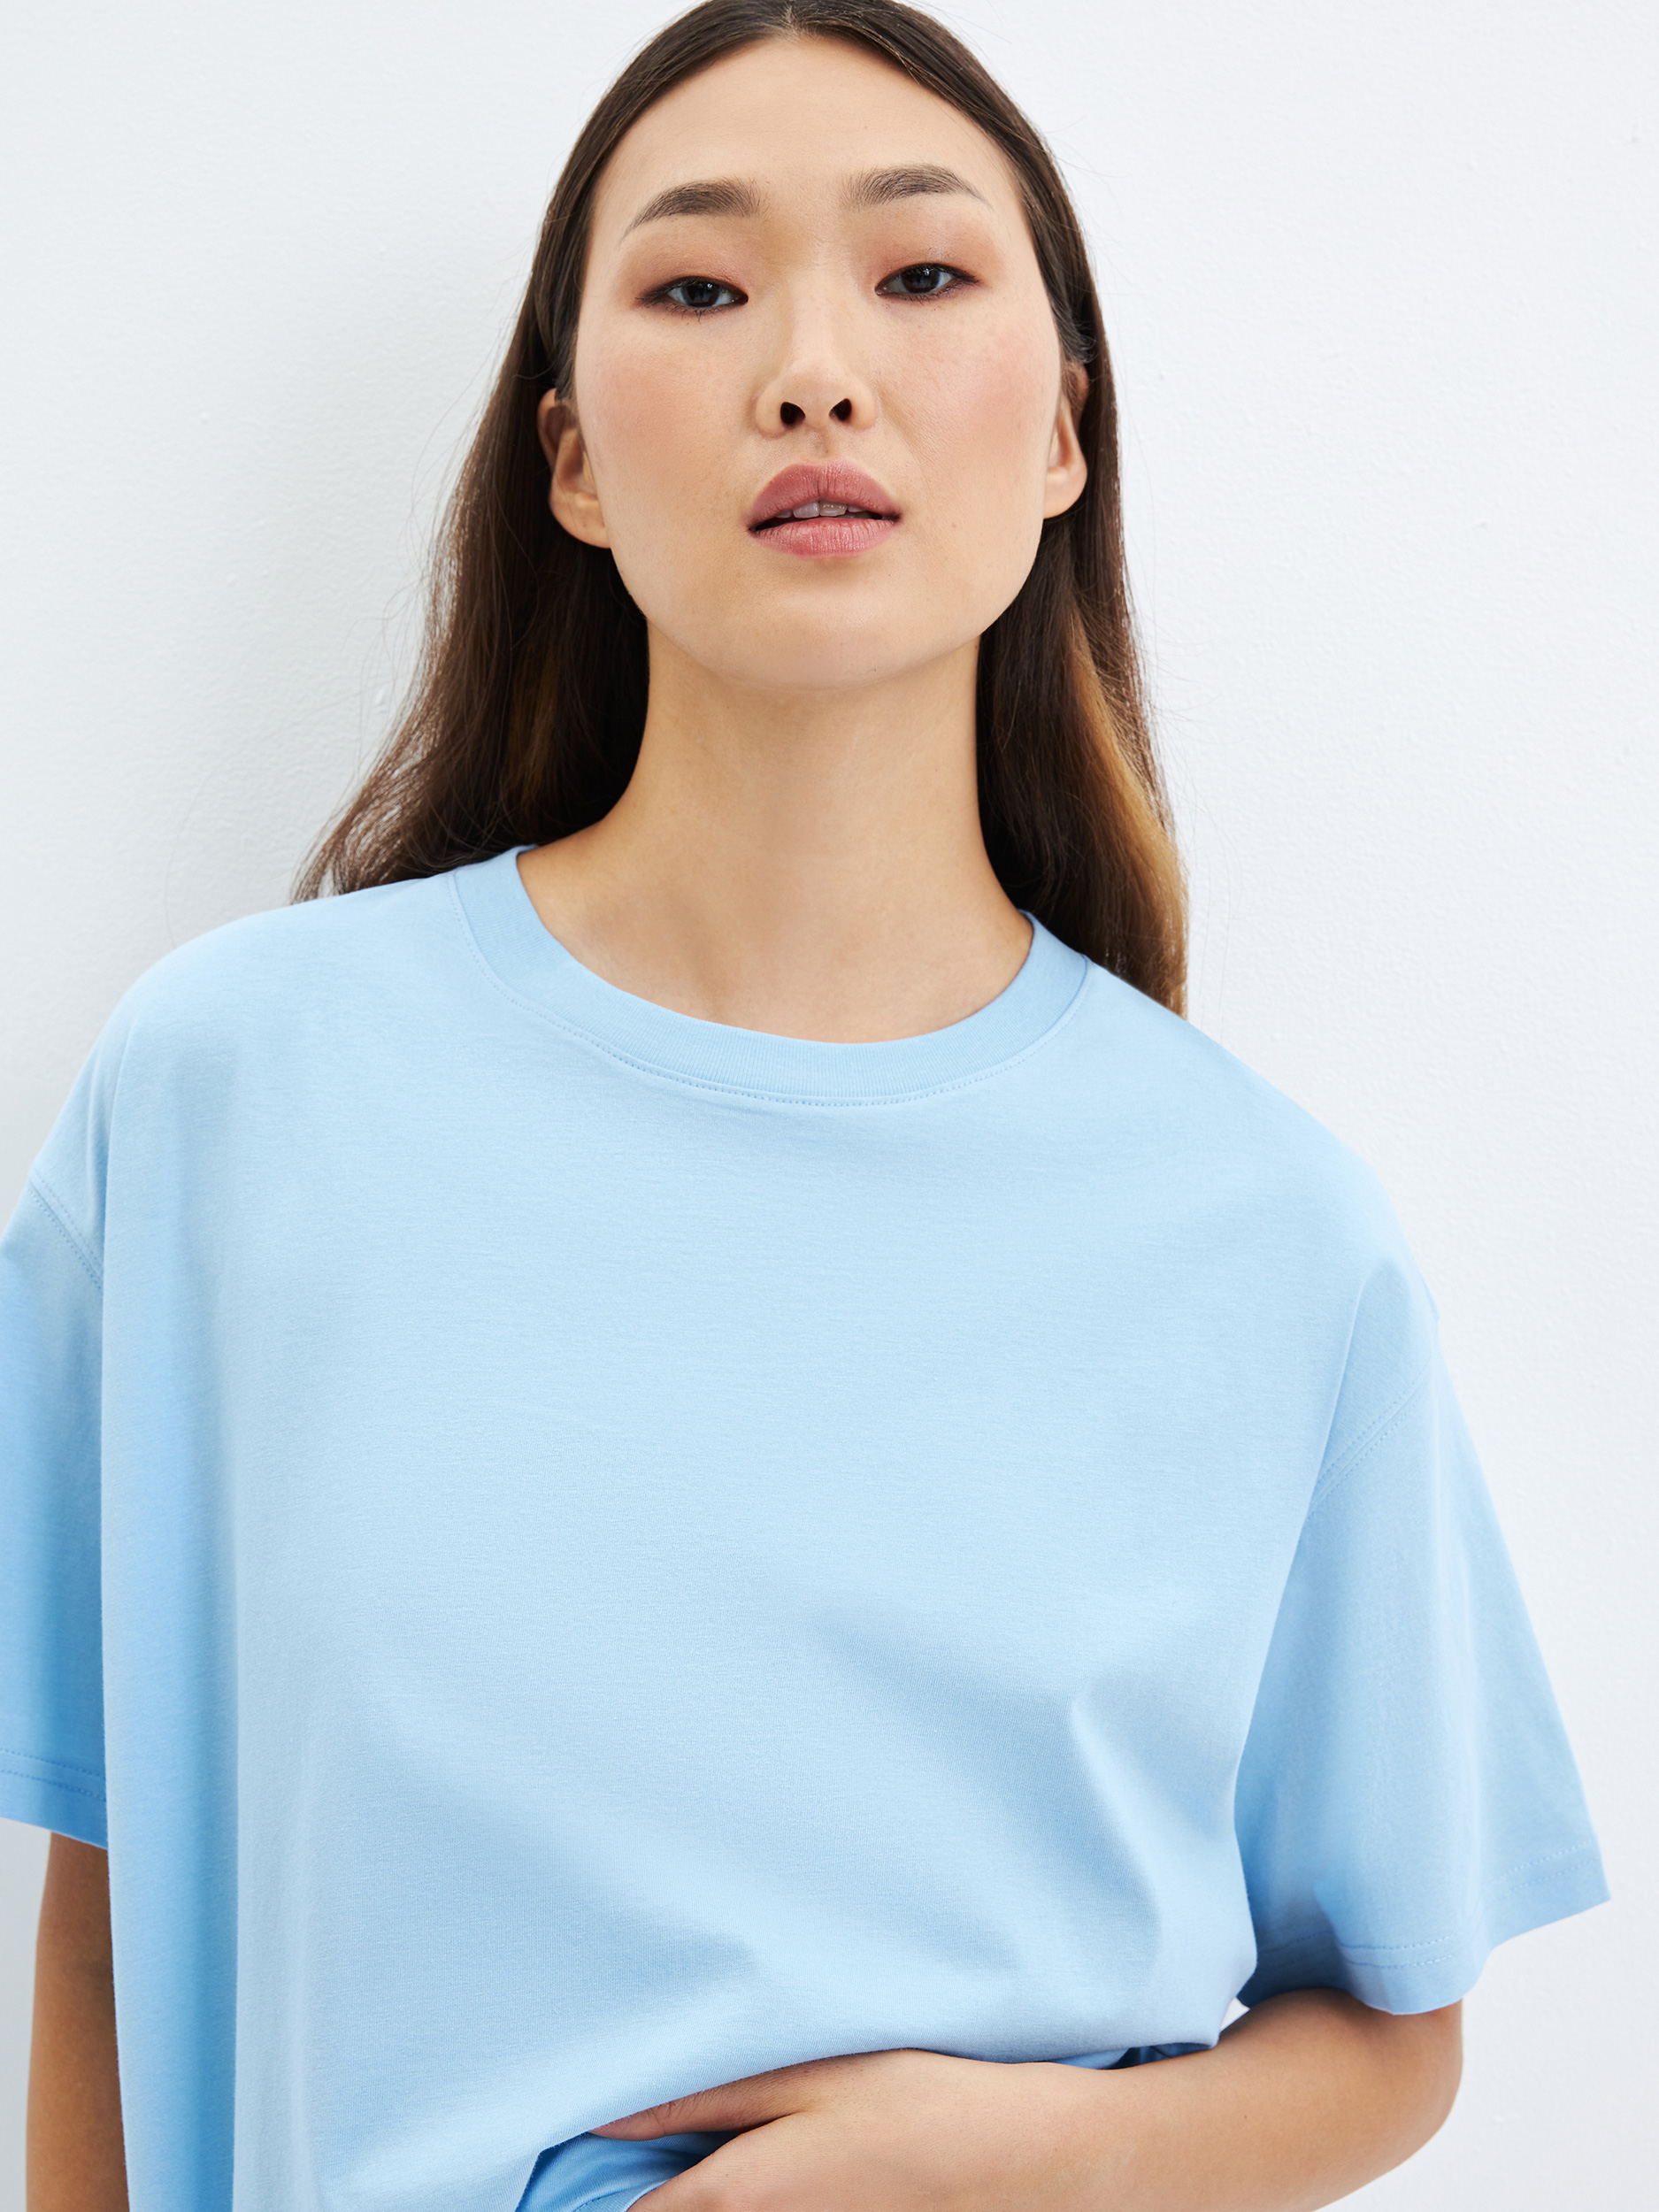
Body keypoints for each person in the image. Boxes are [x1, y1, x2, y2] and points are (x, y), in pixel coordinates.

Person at [3, 4, 1609, 2208]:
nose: (813, 370)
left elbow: (1392, 2033)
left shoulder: (1265, 1231)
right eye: (697, 286)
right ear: (569, 458)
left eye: (920, 272)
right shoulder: (229, 1102)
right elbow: (107, 1938)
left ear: (1064, 431)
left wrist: (1007, 2155)